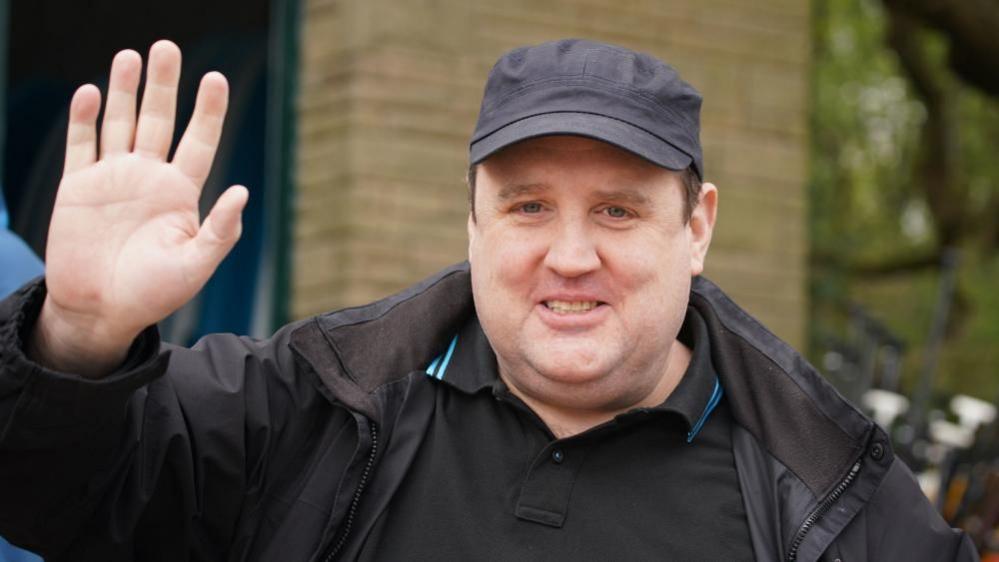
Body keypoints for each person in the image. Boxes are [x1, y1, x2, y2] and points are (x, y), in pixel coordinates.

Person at [0, 38, 978, 561]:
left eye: (619, 212)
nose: (569, 254)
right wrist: (79, 335)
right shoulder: (308, 406)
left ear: (698, 225)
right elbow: (59, 502)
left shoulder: (833, 494)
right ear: (470, 221)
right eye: (526, 205)